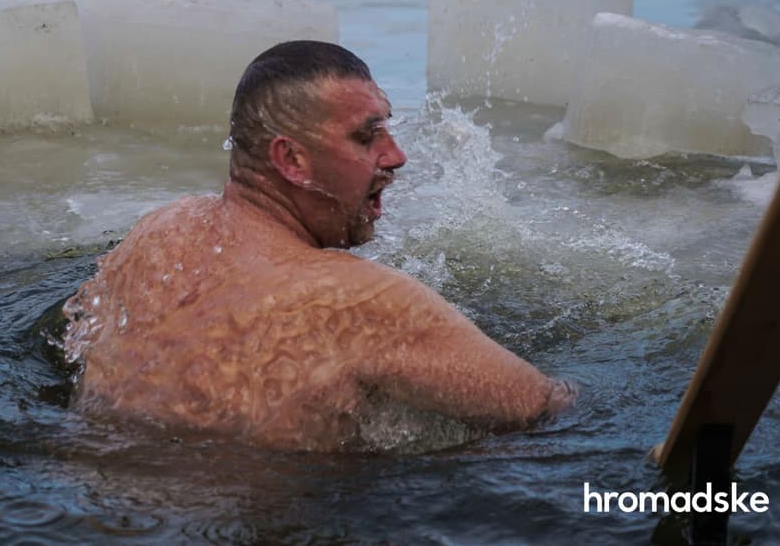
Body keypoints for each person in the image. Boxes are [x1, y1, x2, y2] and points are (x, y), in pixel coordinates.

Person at [62, 40, 574, 451]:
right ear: (293, 161)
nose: (396, 156)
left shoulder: (158, 231)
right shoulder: (363, 302)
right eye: (366, 136)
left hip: (88, 495)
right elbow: (542, 407)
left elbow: (75, 349)